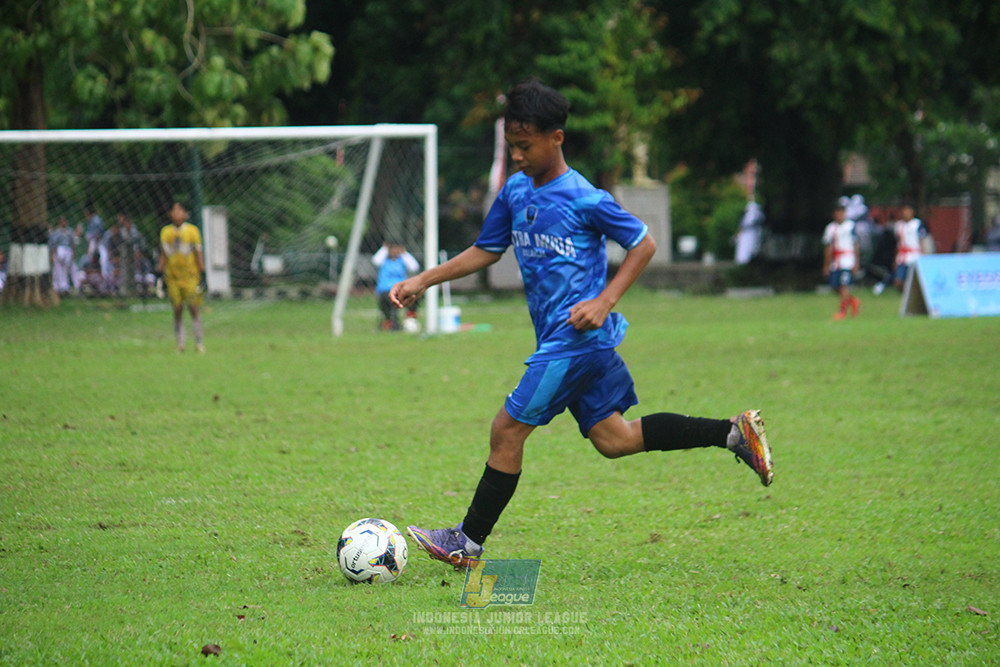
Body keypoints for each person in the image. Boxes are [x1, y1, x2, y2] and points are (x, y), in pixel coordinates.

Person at [390, 78, 774, 569]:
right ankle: (732, 433)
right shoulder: (514, 191)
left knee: (506, 431)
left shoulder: (585, 198)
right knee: (614, 440)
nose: (519, 156)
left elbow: (644, 244)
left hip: (575, 341)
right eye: (512, 147)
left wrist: (605, 299)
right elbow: (487, 250)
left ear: (557, 137)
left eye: (526, 146)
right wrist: (425, 278)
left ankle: (467, 541)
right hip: (574, 344)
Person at [157, 200, 206, 352]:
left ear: (185, 214)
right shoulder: (165, 232)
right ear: (170, 214)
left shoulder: (192, 231)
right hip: (173, 277)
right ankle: (180, 343)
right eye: (174, 210)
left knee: (193, 307)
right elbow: (164, 255)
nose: (177, 213)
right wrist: (159, 273)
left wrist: (203, 273)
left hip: (190, 276)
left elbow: (198, 253)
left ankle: (199, 342)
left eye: (180, 210)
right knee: (177, 309)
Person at [822, 205, 860, 320]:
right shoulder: (830, 228)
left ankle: (842, 312)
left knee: (844, 286)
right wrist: (826, 265)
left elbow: (856, 244)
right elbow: (828, 247)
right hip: (836, 261)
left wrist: (856, 262)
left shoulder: (850, 226)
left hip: (847, 260)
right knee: (834, 286)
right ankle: (853, 300)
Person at [372, 241, 420, 330]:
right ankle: (391, 323)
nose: (394, 251)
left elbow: (414, 266)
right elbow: (375, 261)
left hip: (401, 289)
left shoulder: (402, 260)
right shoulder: (384, 261)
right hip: (385, 290)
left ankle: (411, 317)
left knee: (415, 295)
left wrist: (404, 253)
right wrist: (384, 249)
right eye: (392, 249)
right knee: (388, 303)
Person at [892, 204, 927, 291]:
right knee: (898, 280)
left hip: (914, 255)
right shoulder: (899, 225)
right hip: (903, 256)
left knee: (914, 278)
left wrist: (923, 254)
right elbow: (898, 242)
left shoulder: (917, 224)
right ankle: (904, 293)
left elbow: (921, 240)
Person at [48, 216, 80, 296]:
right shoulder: (57, 232)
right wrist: (52, 255)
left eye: (65, 222)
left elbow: (72, 243)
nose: (64, 223)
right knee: (58, 269)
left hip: (68, 250)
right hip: (59, 249)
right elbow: (53, 244)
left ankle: (67, 286)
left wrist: (72, 252)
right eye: (62, 222)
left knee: (67, 268)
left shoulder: (69, 231)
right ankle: (59, 287)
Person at [734, 200, 764, 265]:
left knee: (749, 247)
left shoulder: (755, 214)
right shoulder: (750, 215)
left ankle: (747, 260)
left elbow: (748, 223)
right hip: (747, 235)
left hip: (751, 234)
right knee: (745, 248)